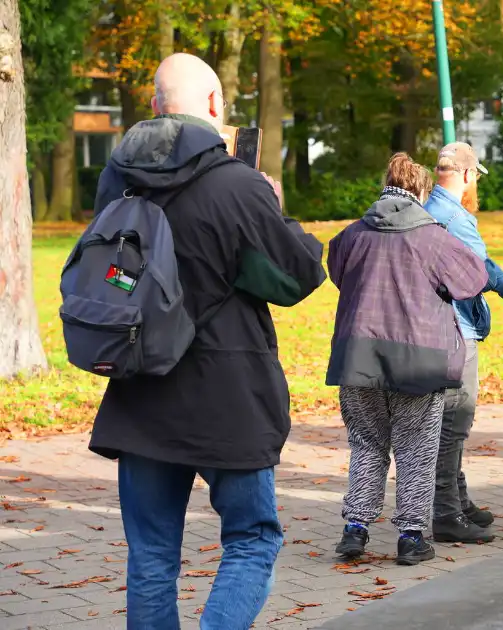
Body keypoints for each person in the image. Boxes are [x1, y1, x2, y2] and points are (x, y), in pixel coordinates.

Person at [87, 53, 326, 629]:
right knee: (251, 541)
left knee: (150, 558)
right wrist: (274, 207)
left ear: (153, 107)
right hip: (229, 394)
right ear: (217, 106)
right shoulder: (237, 185)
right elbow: (297, 277)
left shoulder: (116, 181)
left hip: (140, 389)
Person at [327, 153, 488, 565]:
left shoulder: (353, 234)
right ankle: (411, 536)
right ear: (420, 191)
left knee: (366, 444)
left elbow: (337, 269)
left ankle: (355, 530)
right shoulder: (432, 237)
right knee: (416, 448)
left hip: (358, 355)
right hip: (419, 358)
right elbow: (473, 279)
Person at [424, 141, 503, 543]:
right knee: (454, 423)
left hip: (437, 329)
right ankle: (447, 514)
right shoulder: (454, 217)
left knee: (448, 422)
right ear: (468, 175)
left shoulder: (428, 209)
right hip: (457, 332)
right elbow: (477, 270)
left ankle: (458, 498)